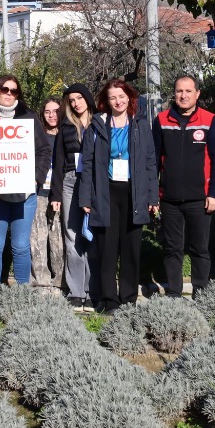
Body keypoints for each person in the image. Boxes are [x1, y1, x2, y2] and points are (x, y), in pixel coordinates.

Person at [78, 79, 156, 314]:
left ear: (129, 97)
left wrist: (152, 197)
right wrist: (85, 198)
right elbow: (87, 163)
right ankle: (109, 300)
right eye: (113, 97)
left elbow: (150, 162)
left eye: (121, 96)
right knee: (107, 249)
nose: (118, 101)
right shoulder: (97, 125)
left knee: (131, 249)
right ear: (106, 100)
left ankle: (129, 299)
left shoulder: (141, 124)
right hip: (106, 193)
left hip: (134, 193)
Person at [0, 76, 51, 301]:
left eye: (14, 91)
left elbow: (44, 151)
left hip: (24, 195)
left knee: (20, 246)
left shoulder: (29, 118)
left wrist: (36, 179)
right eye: (5, 89)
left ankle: (21, 296)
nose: (9, 94)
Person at [152, 74, 215, 298]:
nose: (183, 96)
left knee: (199, 249)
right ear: (174, 94)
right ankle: (174, 294)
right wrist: (153, 195)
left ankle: (200, 293)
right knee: (172, 248)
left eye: (188, 91)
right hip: (169, 198)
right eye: (179, 91)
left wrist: (214, 193)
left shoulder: (209, 120)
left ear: (197, 94)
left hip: (200, 198)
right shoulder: (161, 120)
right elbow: (153, 160)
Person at [56, 84, 95, 306]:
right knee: (72, 237)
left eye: (79, 98)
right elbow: (59, 160)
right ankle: (76, 292)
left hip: (95, 183)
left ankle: (91, 290)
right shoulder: (66, 126)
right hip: (71, 181)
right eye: (71, 100)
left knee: (91, 236)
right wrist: (56, 195)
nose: (76, 103)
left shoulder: (100, 122)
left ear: (87, 98)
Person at [32, 98, 66, 292]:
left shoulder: (66, 135)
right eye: (47, 112)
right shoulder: (38, 137)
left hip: (59, 194)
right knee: (38, 237)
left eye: (56, 111)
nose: (52, 115)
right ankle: (41, 281)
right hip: (39, 193)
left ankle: (60, 279)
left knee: (58, 237)